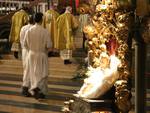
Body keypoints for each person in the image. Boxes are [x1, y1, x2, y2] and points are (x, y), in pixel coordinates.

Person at [24, 12, 52, 99]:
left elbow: (25, 44)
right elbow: (49, 45)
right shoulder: (45, 31)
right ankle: (40, 90)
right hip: (41, 54)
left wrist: (31, 49)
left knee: (33, 73)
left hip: (31, 54)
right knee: (42, 73)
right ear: (41, 20)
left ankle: (34, 87)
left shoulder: (29, 30)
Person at [20, 15, 35, 97]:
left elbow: (21, 39)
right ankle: (26, 88)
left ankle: (29, 88)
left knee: (27, 69)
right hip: (32, 51)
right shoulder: (34, 28)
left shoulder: (23, 28)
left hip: (24, 51)